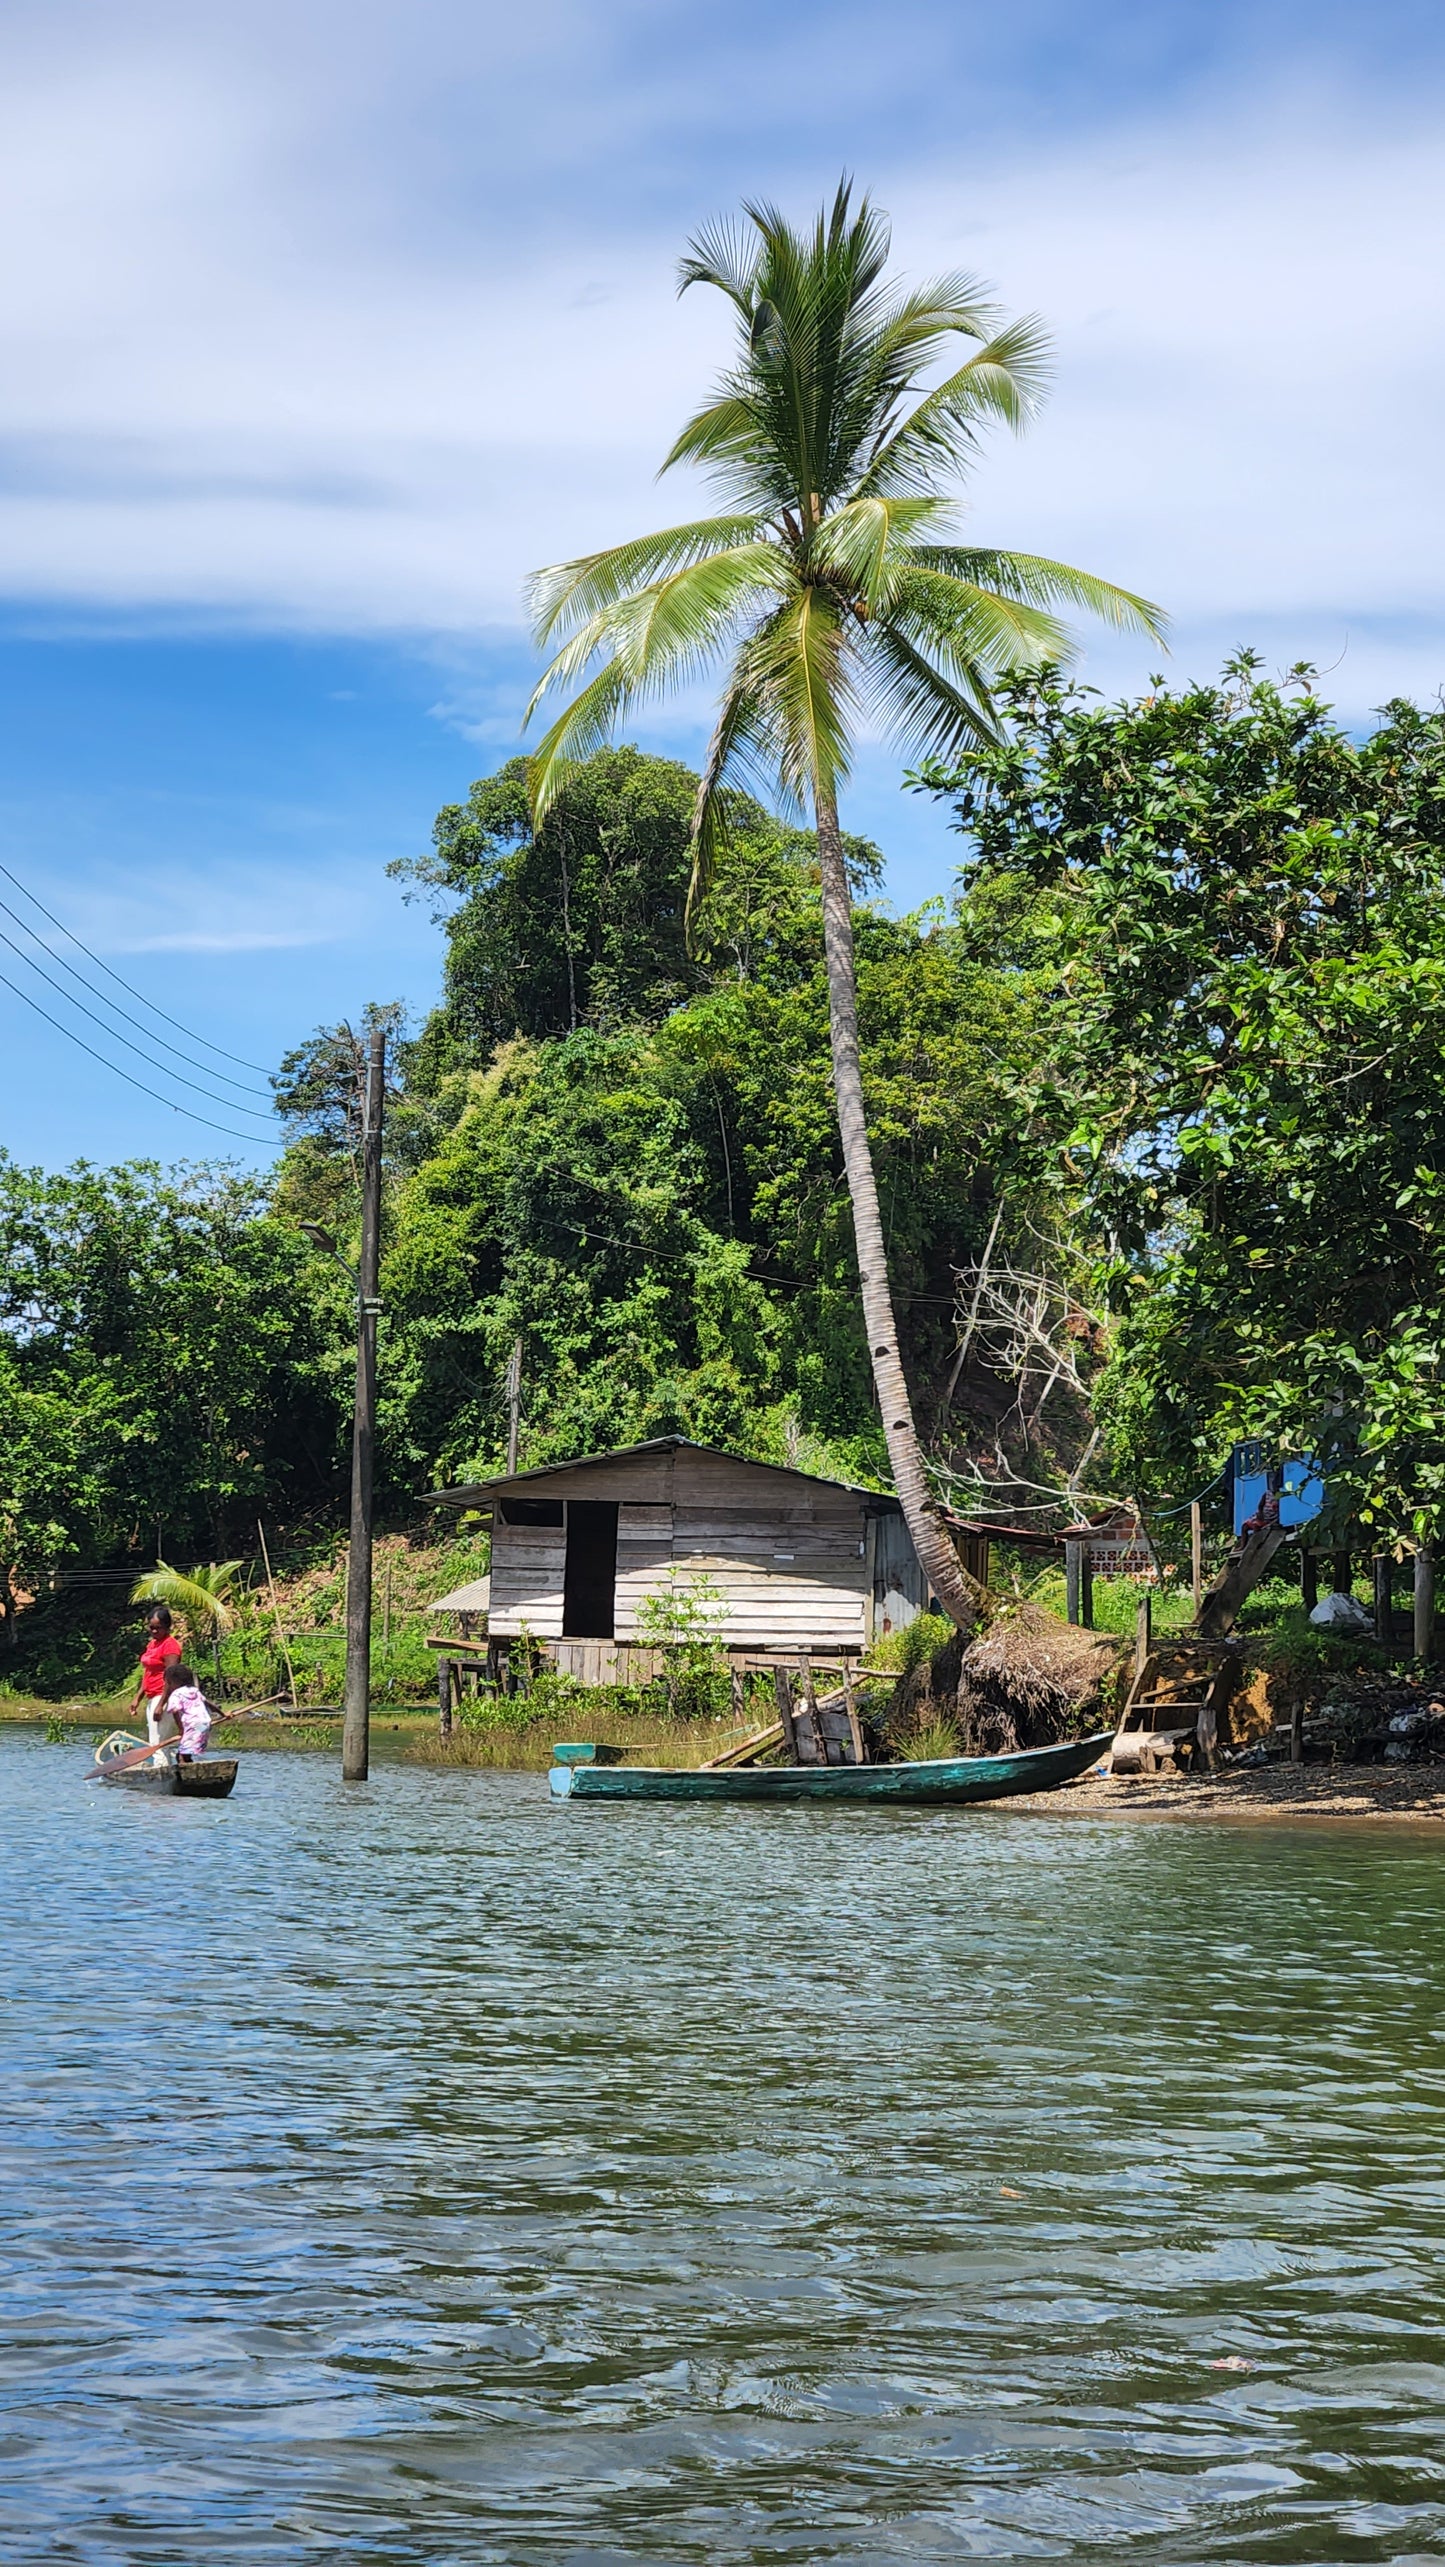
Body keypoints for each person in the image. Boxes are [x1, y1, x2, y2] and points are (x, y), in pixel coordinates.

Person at [131, 1606, 182, 1743]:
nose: (154, 1631)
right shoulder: (153, 1644)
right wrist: (138, 1697)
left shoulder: (170, 1646)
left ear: (167, 1627)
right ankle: (161, 1764)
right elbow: (148, 1672)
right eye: (151, 1627)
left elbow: (172, 1677)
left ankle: (162, 1765)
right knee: (154, 1741)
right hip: (152, 1696)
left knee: (158, 1743)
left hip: (163, 1697)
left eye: (158, 1628)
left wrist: (161, 1704)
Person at [162, 1663, 212, 1761]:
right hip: (206, 1724)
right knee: (186, 1753)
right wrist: (223, 1714)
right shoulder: (194, 1690)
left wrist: (181, 1728)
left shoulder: (176, 1694)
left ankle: (186, 1774)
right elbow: (208, 1704)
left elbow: (175, 1712)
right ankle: (191, 1770)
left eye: (168, 1683)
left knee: (181, 1756)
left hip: (192, 1725)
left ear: (173, 1682)